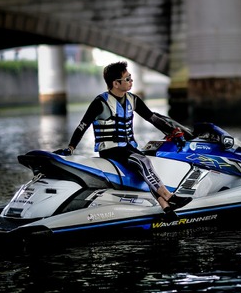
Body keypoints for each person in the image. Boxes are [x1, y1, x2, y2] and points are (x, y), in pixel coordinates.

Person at [54, 61, 192, 221]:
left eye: (131, 78)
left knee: (144, 169)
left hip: (128, 148)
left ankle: (167, 209)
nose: (131, 81)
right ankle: (169, 196)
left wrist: (174, 132)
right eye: (127, 79)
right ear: (115, 83)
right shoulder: (100, 103)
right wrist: (71, 147)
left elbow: (152, 118)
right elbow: (82, 126)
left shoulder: (133, 99)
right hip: (110, 149)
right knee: (143, 161)